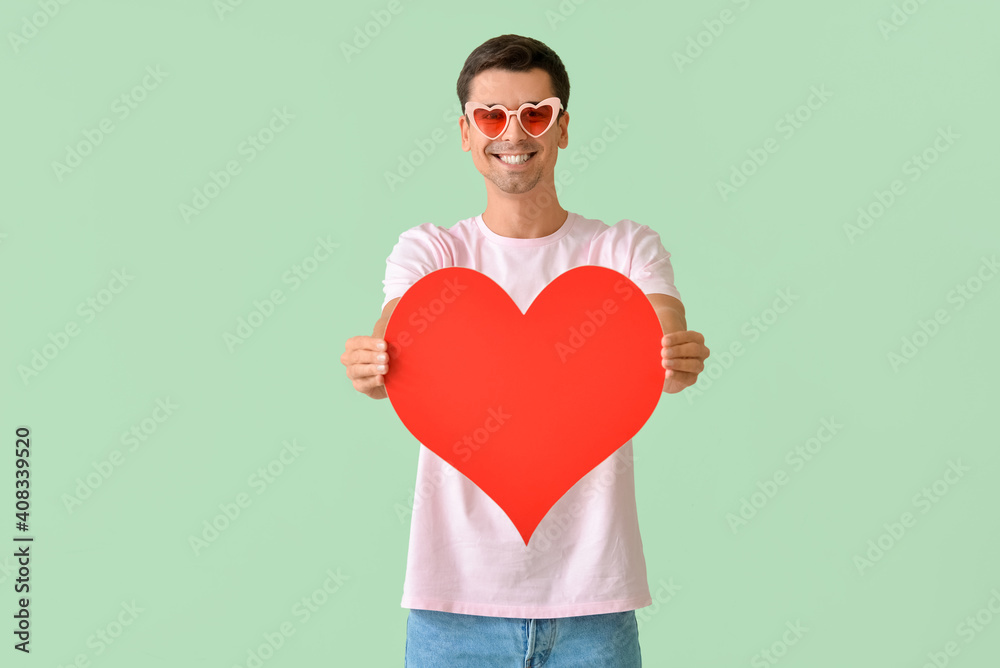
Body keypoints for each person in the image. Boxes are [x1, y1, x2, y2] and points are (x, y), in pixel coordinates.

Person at [341, 34, 710, 667]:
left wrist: (675, 354)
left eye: (535, 113)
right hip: (452, 608)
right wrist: (375, 364)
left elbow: (659, 337)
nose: (514, 133)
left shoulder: (623, 250)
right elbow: (395, 338)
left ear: (562, 128)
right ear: (465, 132)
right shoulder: (434, 252)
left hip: (593, 607)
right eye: (492, 115)